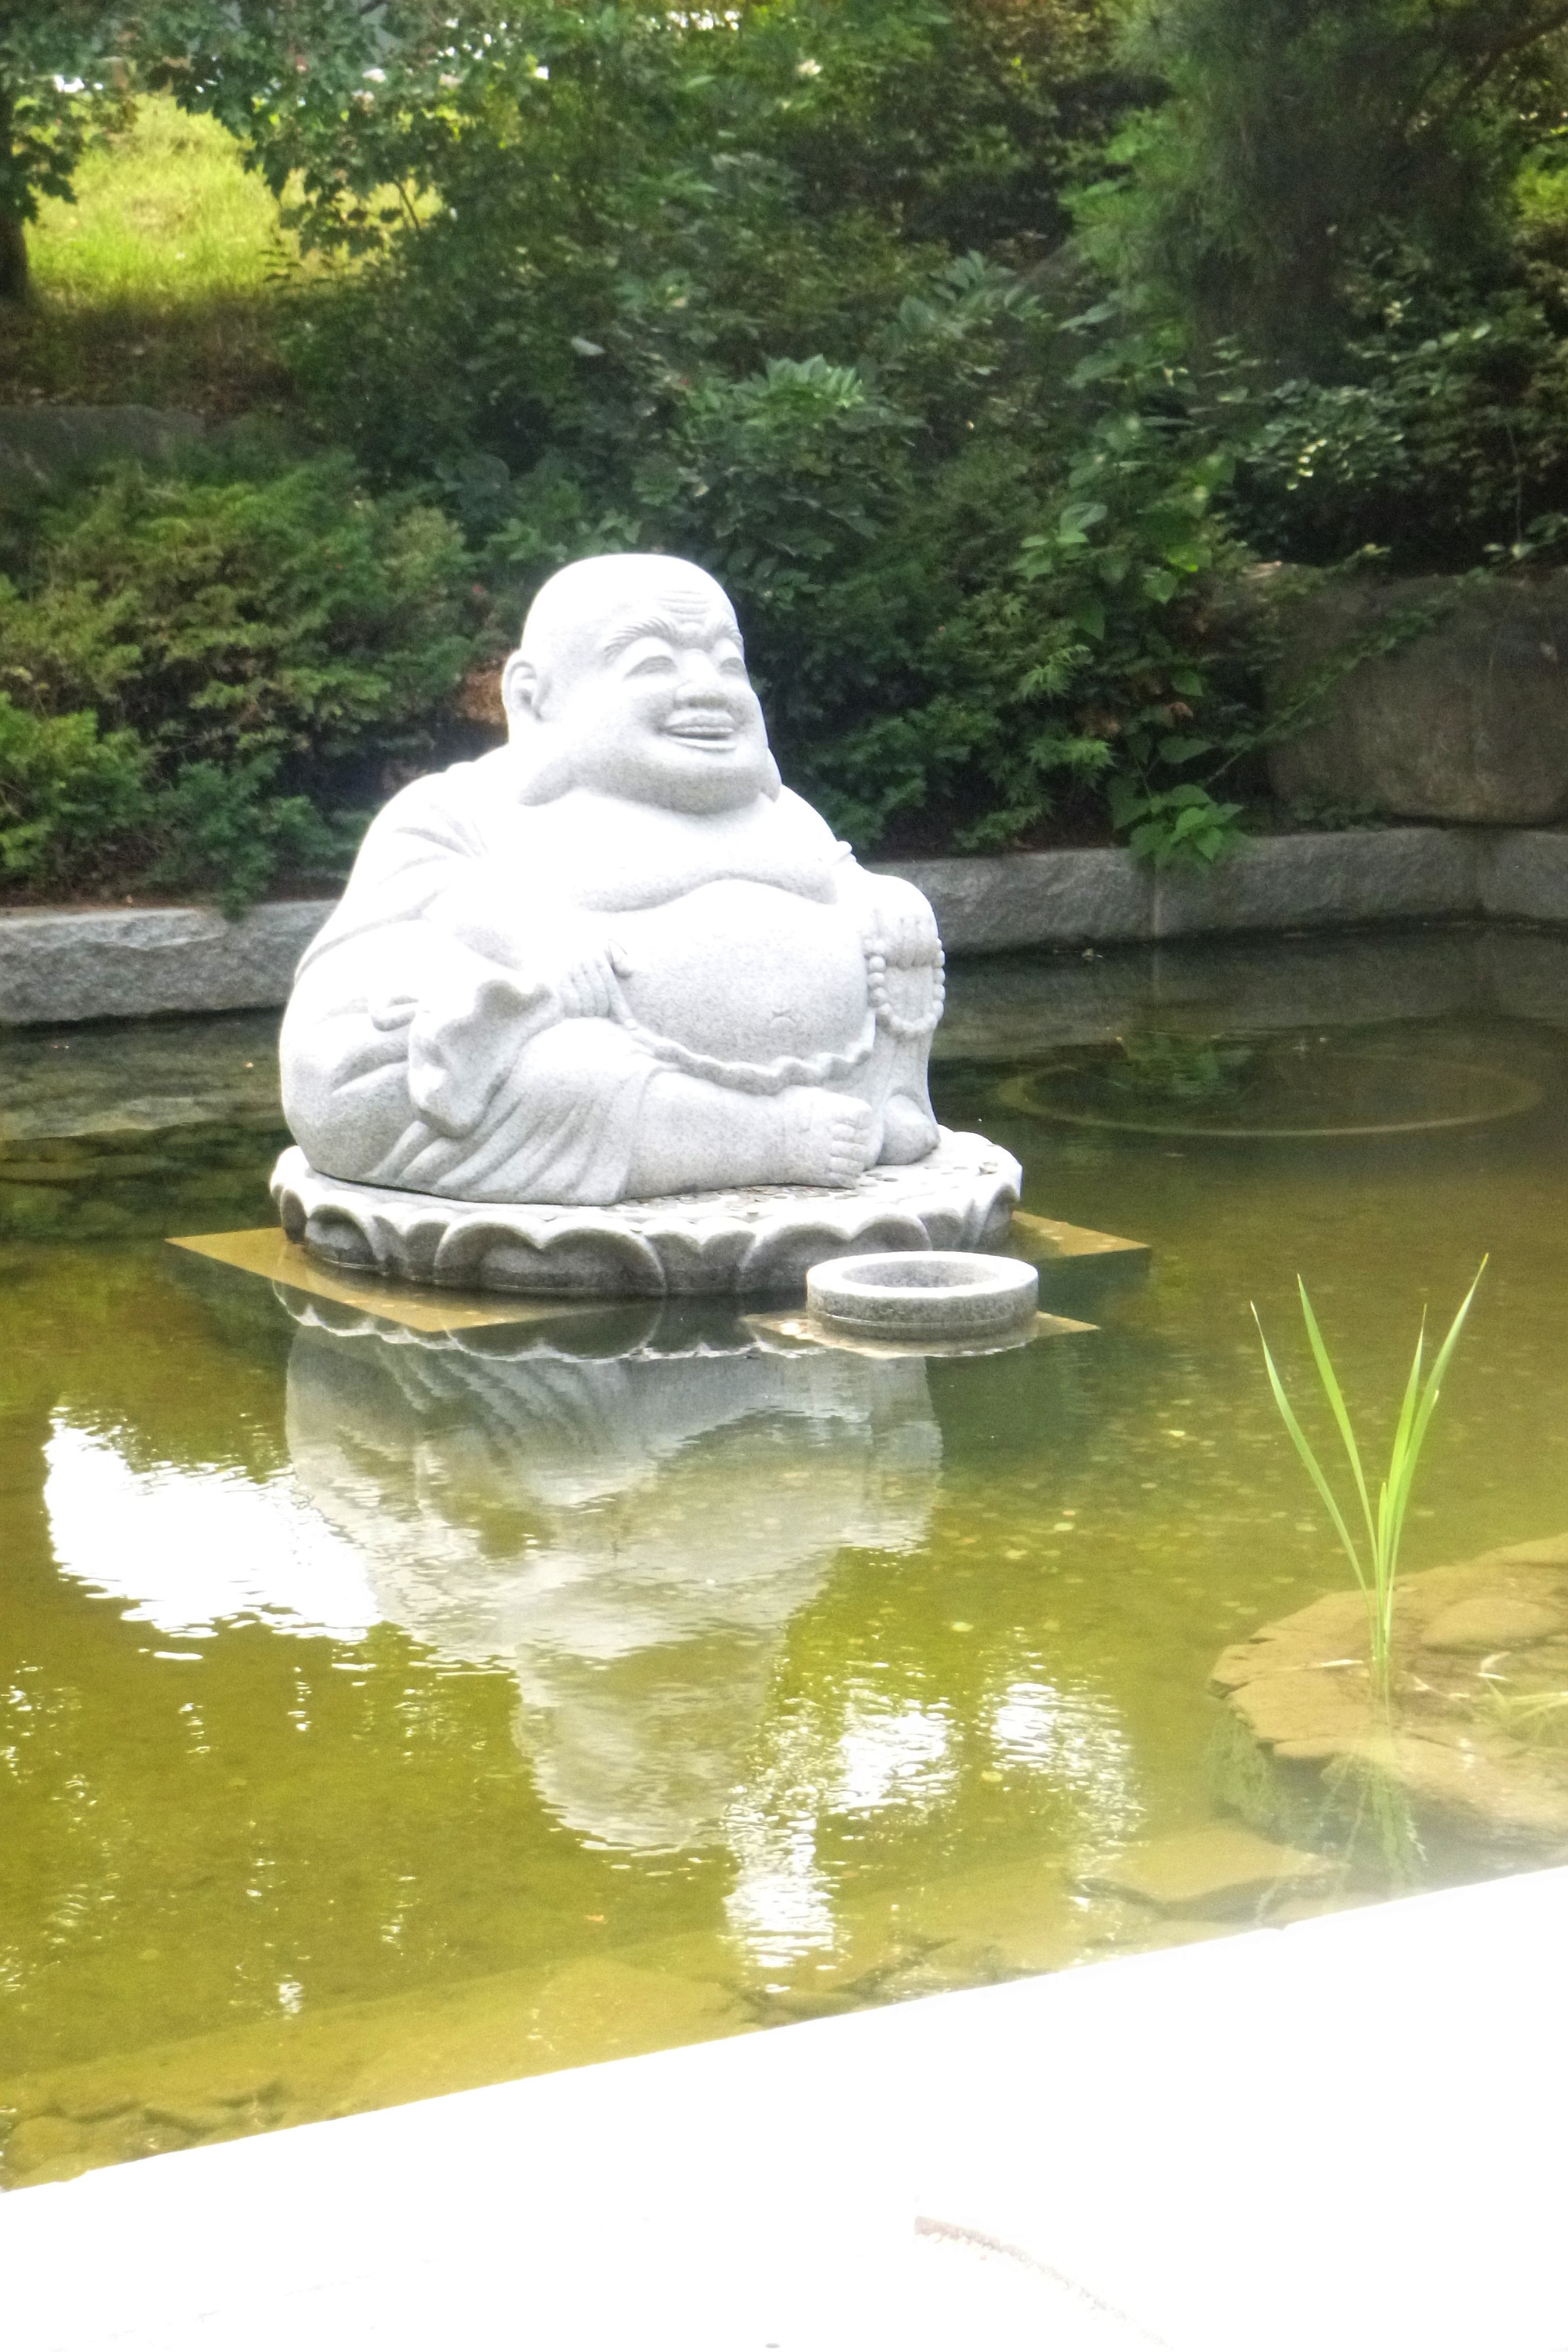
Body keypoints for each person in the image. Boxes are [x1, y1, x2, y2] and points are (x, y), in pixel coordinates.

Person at [281, 552, 943, 1206]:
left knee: (903, 944)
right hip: (559, 1060)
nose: (708, 688)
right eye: (654, 663)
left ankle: (886, 1096)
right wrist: (531, 938)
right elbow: (415, 899)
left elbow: (843, 878)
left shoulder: (781, 813)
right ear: (535, 698)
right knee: (559, 1070)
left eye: (728, 662)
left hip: (816, 1057)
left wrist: (884, 900)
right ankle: (755, 1136)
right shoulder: (465, 809)